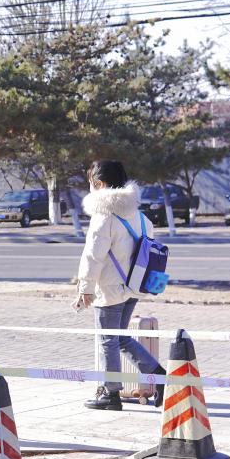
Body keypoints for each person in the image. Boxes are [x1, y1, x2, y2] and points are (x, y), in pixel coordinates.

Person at [75, 159, 166, 411]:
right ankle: (159, 376)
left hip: (110, 290)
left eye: (91, 182)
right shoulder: (140, 216)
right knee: (120, 338)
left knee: (108, 340)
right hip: (133, 287)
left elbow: (93, 256)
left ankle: (110, 393)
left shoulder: (104, 216)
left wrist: (85, 289)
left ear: (100, 183)